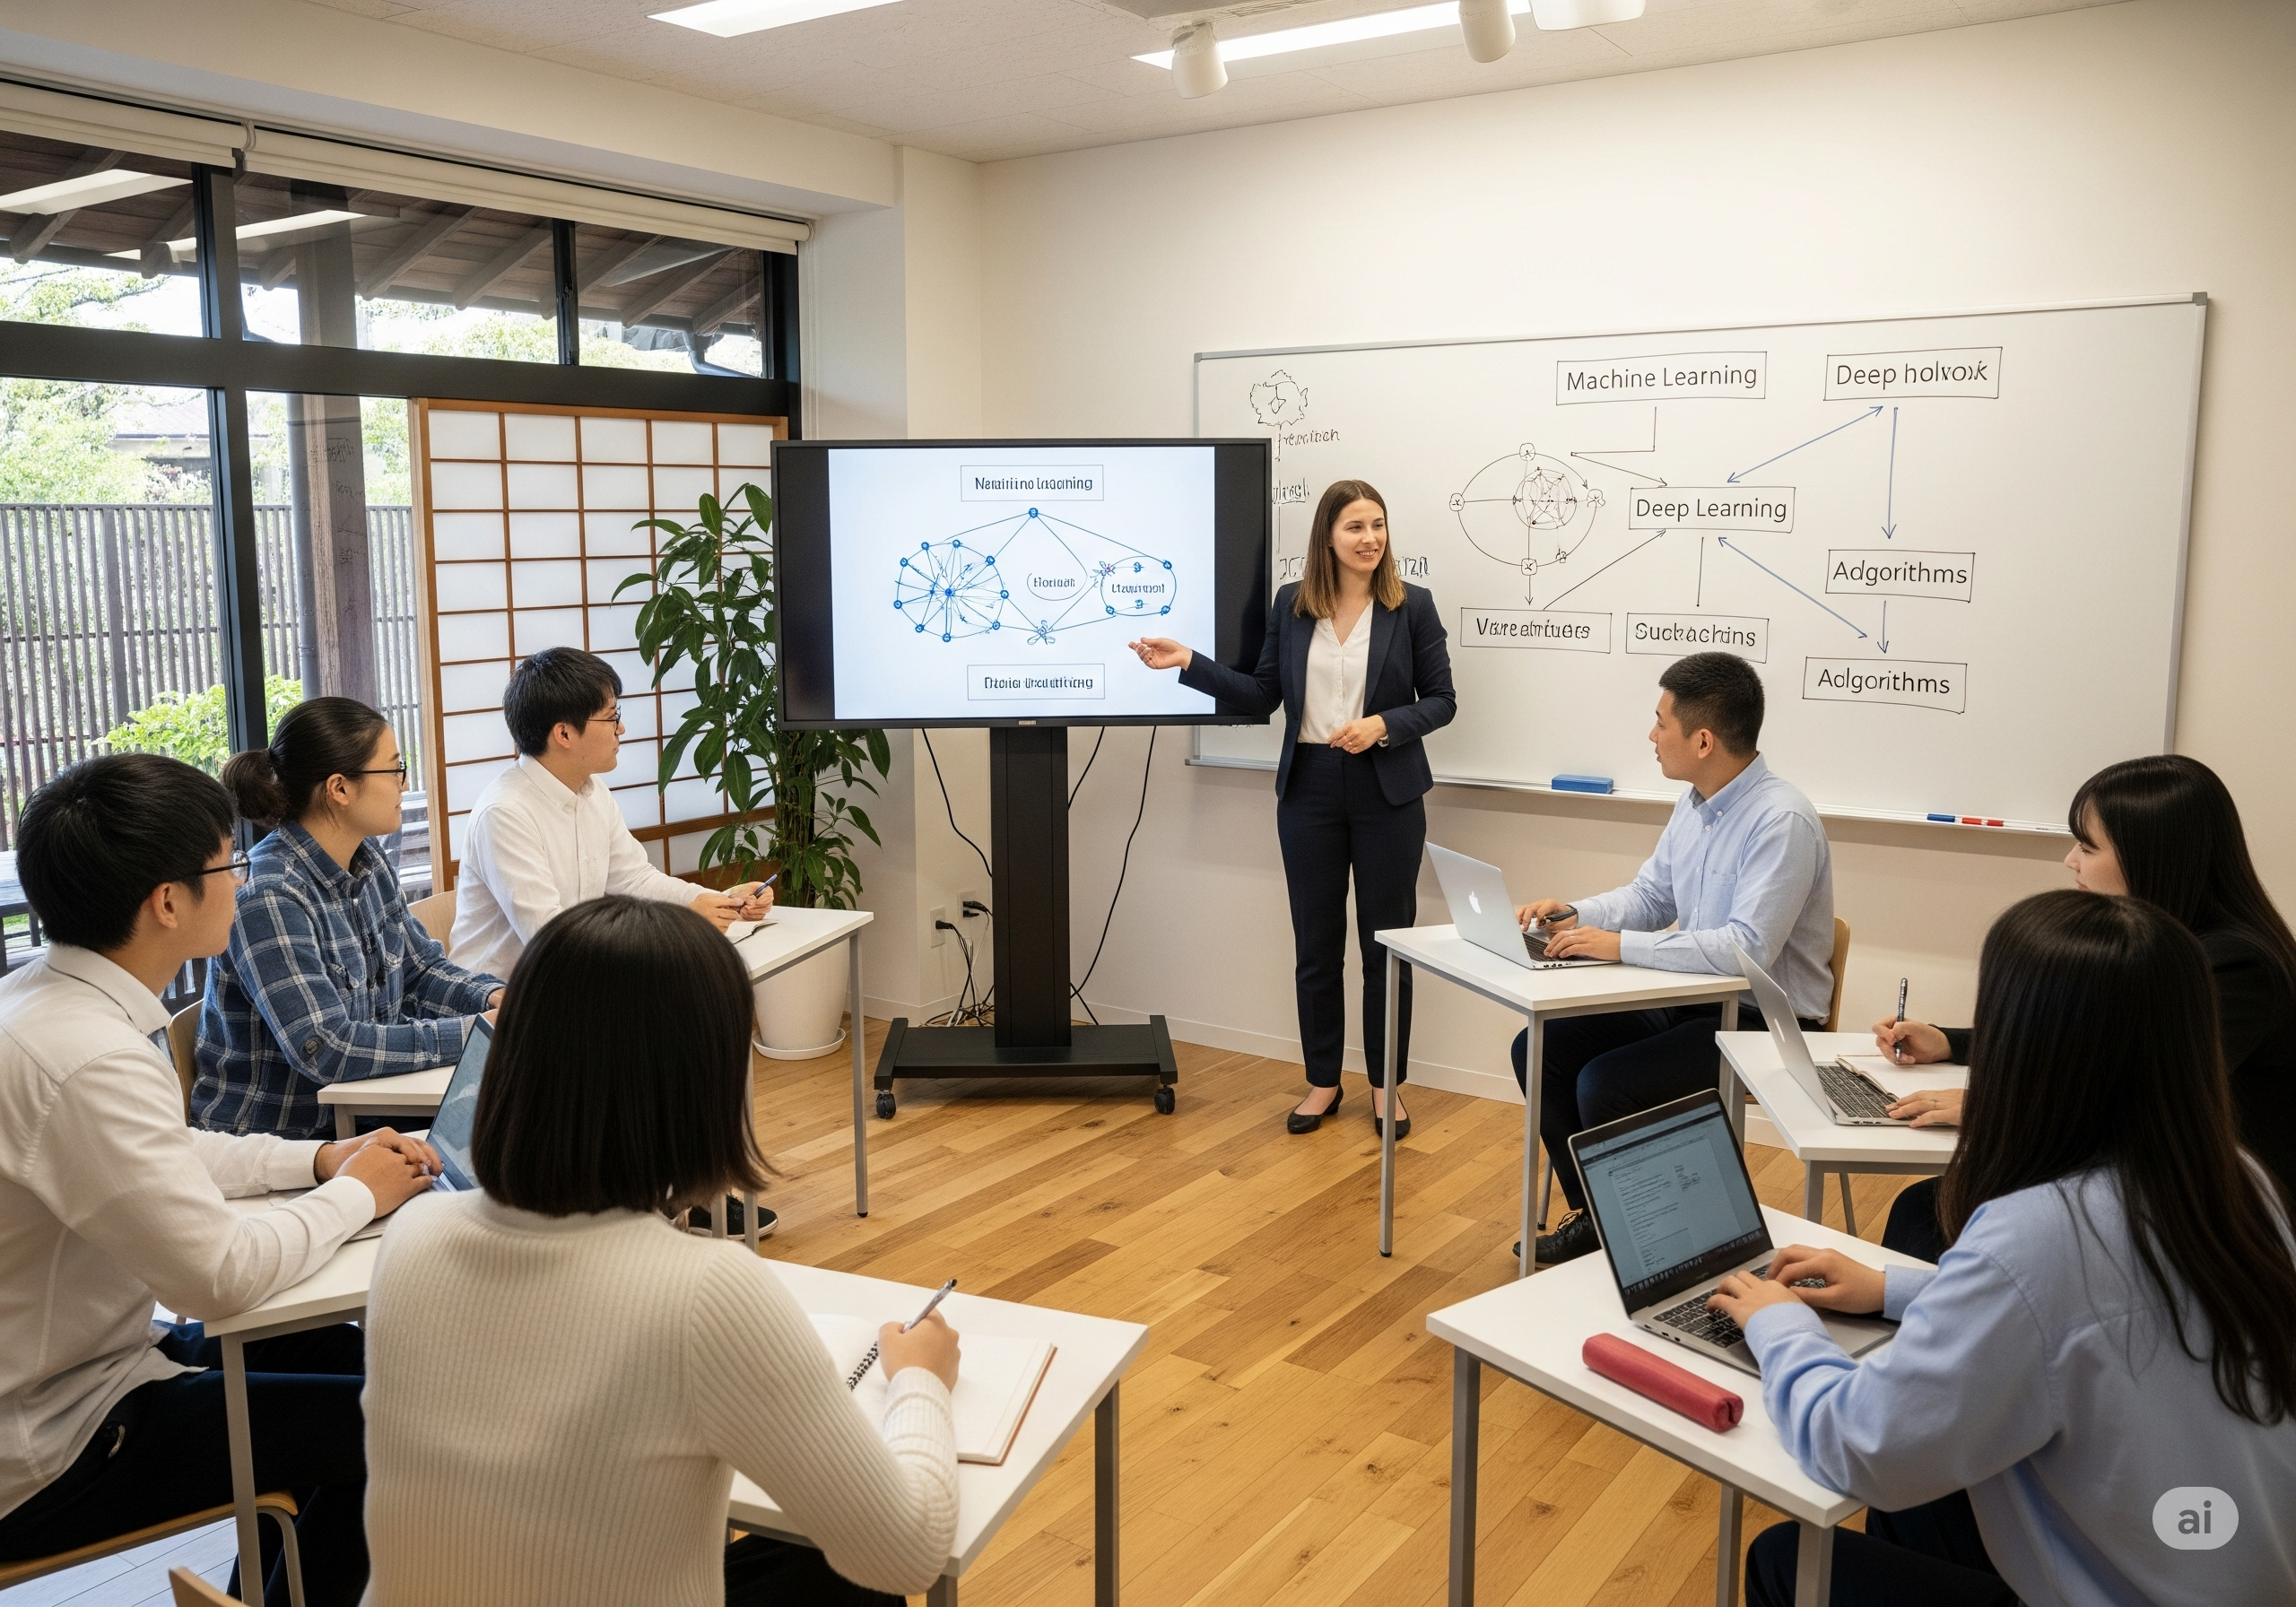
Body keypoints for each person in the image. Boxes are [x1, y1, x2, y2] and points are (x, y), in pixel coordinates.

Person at [360, 896, 959, 1606]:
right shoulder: (704, 1294)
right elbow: (912, 1550)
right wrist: (921, 1380)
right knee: (856, 1579)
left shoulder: (411, 1242)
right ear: (698, 1087)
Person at [1709, 890, 2296, 1607]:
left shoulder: (2040, 1233)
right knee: (1930, 1491)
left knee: (1787, 1558)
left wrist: (1779, 1324)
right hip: (2223, 1560)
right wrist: (1893, 1290)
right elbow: (2091, 1315)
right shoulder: (2240, 1180)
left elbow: (1853, 1446)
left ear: (2026, 1045)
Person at [0, 754, 440, 1607]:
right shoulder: (83, 1056)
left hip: (96, 1363)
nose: (242, 881)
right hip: (56, 1435)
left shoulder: (48, 998)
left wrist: (317, 1161)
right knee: (396, 1430)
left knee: (367, 1361)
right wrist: (357, 1195)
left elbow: (165, 1148)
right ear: (168, 901)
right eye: (226, 864)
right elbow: (220, 1279)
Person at [1128, 480, 1455, 1138]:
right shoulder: (1293, 605)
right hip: (1308, 789)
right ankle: (1323, 1083)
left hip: (1387, 791)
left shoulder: (1411, 606)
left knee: (1385, 948)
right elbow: (1263, 692)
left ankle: (1387, 1089)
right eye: (1355, 527)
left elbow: (1442, 699)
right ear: (1327, 537)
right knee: (1316, 948)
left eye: (1378, 526)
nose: (1370, 539)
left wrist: (1383, 725)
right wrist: (1190, 662)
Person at [1872, 754, 2295, 1260]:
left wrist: (1996, 1108)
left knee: (1930, 1214)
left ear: (2152, 856)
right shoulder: (2156, 944)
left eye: (2088, 846)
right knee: (1931, 1207)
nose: (2071, 861)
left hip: (2208, 1218)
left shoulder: (2237, 968)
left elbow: (2138, 1096)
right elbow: (2081, 1043)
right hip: (2144, 1187)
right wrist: (1950, 1042)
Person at [1511, 652, 1833, 1264]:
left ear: (1704, 739)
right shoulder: (1695, 800)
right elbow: (1653, 896)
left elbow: (1746, 949)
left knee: (1607, 1083)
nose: (1652, 735)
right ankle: (1604, 1222)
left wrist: (1619, 946)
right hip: (1694, 999)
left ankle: (1659, 1241)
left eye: (1661, 722)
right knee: (1539, 1046)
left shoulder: (1781, 820)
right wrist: (1579, 916)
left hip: (1770, 1022)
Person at [196, 697, 505, 1140]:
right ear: (339, 789)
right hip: (289, 1140)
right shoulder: (269, 894)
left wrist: (494, 999)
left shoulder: (367, 857)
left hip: (368, 1111)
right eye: (395, 769)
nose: (404, 783)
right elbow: (327, 1048)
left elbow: (420, 971)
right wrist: (476, 1032)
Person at [449, 646, 773, 979]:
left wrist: (715, 901)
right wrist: (685, 922)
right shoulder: (505, 813)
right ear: (564, 734)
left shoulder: (592, 789)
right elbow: (551, 939)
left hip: (577, 977)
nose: (621, 729)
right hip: (505, 1001)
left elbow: (633, 878)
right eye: (611, 717)